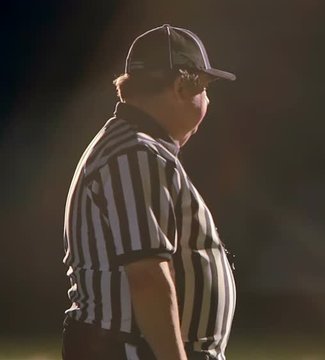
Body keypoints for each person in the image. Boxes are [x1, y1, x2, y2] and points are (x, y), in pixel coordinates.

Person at [62, 24, 237, 360]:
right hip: (128, 349)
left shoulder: (134, 147)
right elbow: (147, 275)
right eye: (206, 88)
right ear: (182, 85)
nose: (208, 101)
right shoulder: (134, 153)